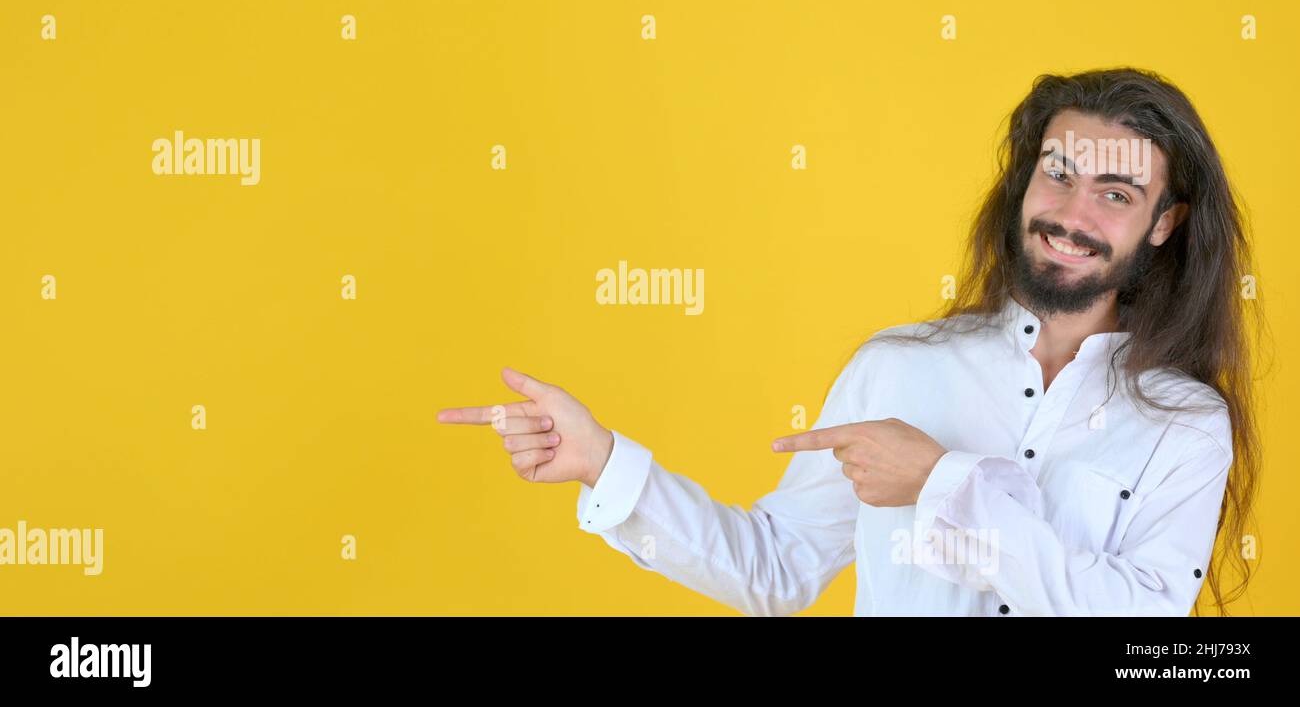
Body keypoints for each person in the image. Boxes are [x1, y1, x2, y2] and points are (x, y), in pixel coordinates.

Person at [439, 68, 1261, 616]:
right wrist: (607, 464)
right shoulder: (898, 368)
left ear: (1164, 224)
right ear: (1024, 182)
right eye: (1058, 173)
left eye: (1114, 193)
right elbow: (776, 568)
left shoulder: (1185, 424)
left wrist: (941, 481)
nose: (1072, 215)